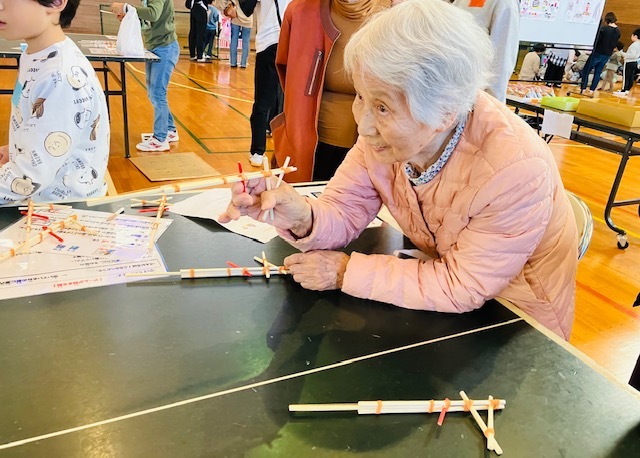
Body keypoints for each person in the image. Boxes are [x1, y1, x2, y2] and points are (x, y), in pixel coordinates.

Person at [220, 0, 579, 340]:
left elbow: (462, 285)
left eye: (383, 108)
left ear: (444, 113)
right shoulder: (385, 139)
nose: (363, 126)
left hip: (514, 323)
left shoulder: (514, 169)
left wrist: (344, 271)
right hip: (438, 299)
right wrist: (301, 216)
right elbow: (343, 210)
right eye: (361, 97)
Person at [0, 0, 110, 203]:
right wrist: (17, 150)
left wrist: (26, 162)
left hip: (61, 210)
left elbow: (27, 179)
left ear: (56, 3)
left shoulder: (60, 76)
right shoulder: (34, 55)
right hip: (38, 200)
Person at [272, 0, 389, 183]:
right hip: (306, 148)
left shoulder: (398, 15)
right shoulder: (299, 11)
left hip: (374, 149)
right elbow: (288, 75)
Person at [111, 0, 180, 152]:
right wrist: (129, 15)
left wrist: (126, 7)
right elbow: (149, 21)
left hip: (165, 48)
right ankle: (170, 130)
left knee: (158, 93)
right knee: (153, 93)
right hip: (155, 47)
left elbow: (153, 14)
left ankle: (160, 139)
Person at [239, 0, 292, 167]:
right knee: (288, 100)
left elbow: (245, 8)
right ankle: (284, 148)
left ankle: (258, 150)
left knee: (264, 101)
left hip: (272, 41)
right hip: (290, 41)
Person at [450, 0, 519, 103]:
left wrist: (493, 105)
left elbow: (502, 60)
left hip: (475, 98)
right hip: (449, 93)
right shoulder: (459, 2)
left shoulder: (505, 3)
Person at [580, 12, 620, 94]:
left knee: (586, 70)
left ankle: (583, 88)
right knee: (598, 72)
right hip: (607, 54)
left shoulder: (604, 29)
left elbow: (597, 40)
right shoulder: (618, 31)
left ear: (606, 20)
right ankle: (592, 90)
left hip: (598, 52)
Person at [214, 0, 253, 68]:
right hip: (248, 19)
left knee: (234, 40)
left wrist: (225, 8)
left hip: (235, 17)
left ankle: (233, 62)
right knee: (246, 42)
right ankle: (243, 63)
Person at [614, 29, 640, 96]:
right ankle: (627, 90)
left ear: (635, 36)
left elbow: (632, 55)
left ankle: (623, 90)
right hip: (635, 62)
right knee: (630, 76)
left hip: (629, 62)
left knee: (626, 77)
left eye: (632, 35)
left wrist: (622, 54)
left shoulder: (634, 45)